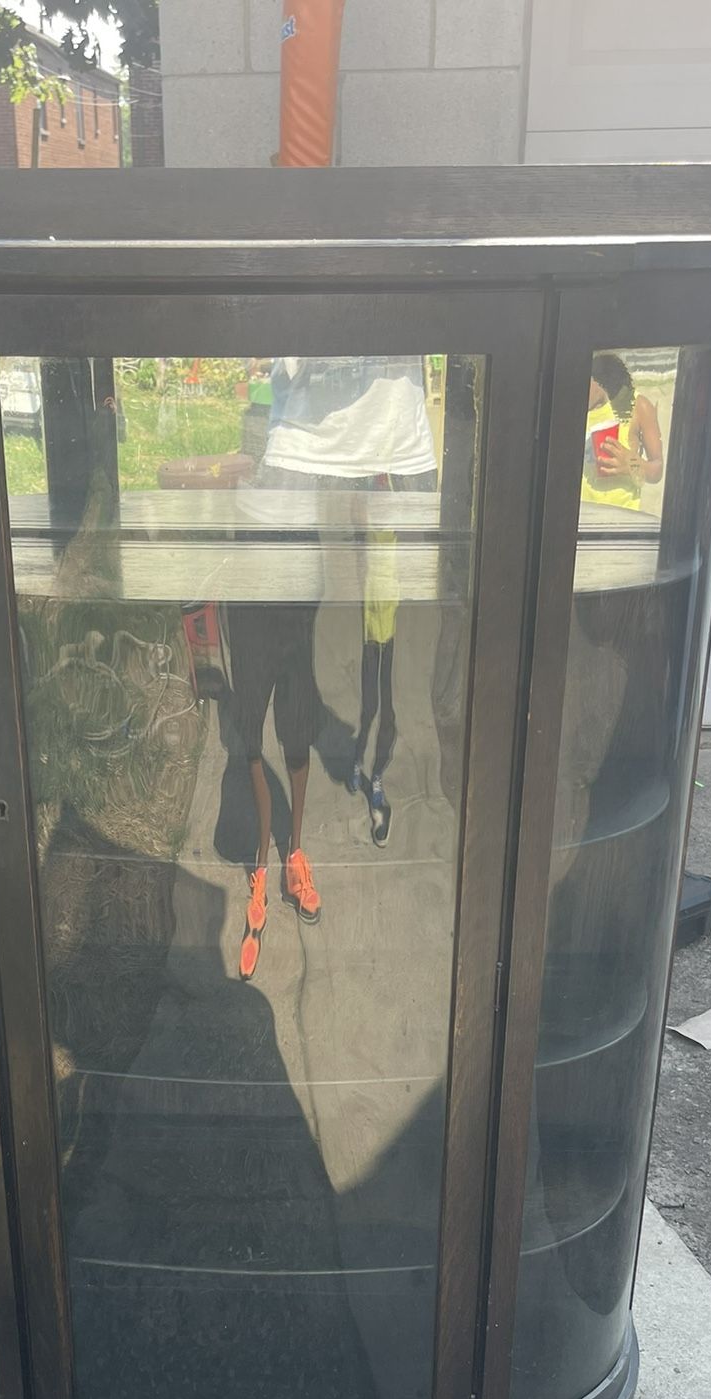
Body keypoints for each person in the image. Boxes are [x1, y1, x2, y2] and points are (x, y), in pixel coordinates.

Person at [232, 356, 437, 979]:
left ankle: (311, 840)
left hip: (389, 464)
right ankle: (265, 871)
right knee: (259, 724)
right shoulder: (283, 458)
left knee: (350, 680)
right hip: (297, 476)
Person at [581, 352, 663, 511]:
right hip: (581, 519)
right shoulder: (568, 407)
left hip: (621, 520)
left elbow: (657, 469)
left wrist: (631, 465)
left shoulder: (637, 407)